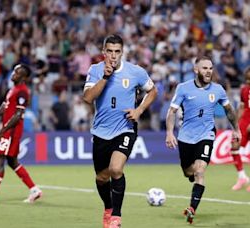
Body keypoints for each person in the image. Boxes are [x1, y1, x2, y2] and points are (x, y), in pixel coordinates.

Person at [83, 34, 157, 228]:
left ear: (122, 52)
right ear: (103, 52)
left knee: (116, 169)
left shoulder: (135, 72)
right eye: (110, 51)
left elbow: (153, 91)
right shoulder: (96, 70)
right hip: (101, 131)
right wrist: (105, 77)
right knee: (101, 177)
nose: (113, 56)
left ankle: (116, 216)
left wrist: (139, 110)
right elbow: (88, 98)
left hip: (125, 127)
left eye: (117, 51)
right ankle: (108, 208)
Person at [165, 56, 241, 224]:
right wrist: (170, 133)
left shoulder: (218, 90)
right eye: (204, 68)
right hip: (185, 137)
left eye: (210, 68)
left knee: (200, 170)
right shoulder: (183, 88)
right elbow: (171, 111)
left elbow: (229, 110)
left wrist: (236, 129)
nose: (208, 71)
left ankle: (192, 208)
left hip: (206, 134)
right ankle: (190, 175)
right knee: (188, 172)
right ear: (196, 70)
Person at [0, 64, 42, 204]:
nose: (13, 74)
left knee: (0, 157)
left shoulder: (23, 91)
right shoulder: (13, 90)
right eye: (14, 71)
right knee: (12, 161)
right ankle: (34, 189)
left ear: (23, 77)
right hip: (9, 130)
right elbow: (2, 109)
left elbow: (18, 114)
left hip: (12, 131)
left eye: (17, 72)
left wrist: (3, 130)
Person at [230, 67, 250, 191]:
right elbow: (242, 107)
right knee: (234, 147)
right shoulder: (244, 90)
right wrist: (236, 125)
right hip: (245, 120)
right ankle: (242, 177)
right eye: (247, 77)